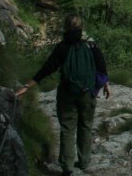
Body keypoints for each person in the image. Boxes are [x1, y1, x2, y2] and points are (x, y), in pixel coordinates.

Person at [15, 14, 110, 176]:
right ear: (81, 27)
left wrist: (27, 86)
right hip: (88, 92)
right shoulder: (91, 44)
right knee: (86, 125)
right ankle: (84, 161)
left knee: (67, 127)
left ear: (65, 27)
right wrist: (106, 85)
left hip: (67, 92)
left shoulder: (62, 47)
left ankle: (67, 165)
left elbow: (48, 68)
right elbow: (101, 66)